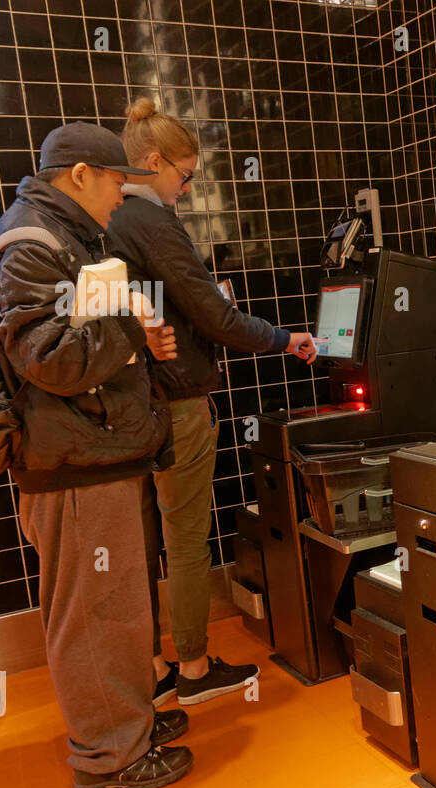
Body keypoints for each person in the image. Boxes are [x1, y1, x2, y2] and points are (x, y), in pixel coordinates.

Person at [0, 122, 191, 788]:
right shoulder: (30, 243)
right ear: (79, 175)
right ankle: (110, 756)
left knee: (121, 606)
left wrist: (130, 338)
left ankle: (127, 723)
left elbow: (78, 338)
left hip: (95, 454)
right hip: (71, 465)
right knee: (94, 612)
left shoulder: (60, 237)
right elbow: (47, 357)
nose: (120, 199)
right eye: (114, 183)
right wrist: (132, 330)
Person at [107, 98, 317, 706]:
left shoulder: (112, 221)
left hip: (134, 406)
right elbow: (215, 316)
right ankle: (196, 668)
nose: (188, 187)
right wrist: (285, 339)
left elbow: (167, 306)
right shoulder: (151, 222)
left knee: (146, 541)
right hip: (178, 404)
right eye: (185, 174)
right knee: (187, 537)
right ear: (153, 162)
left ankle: (153, 668)